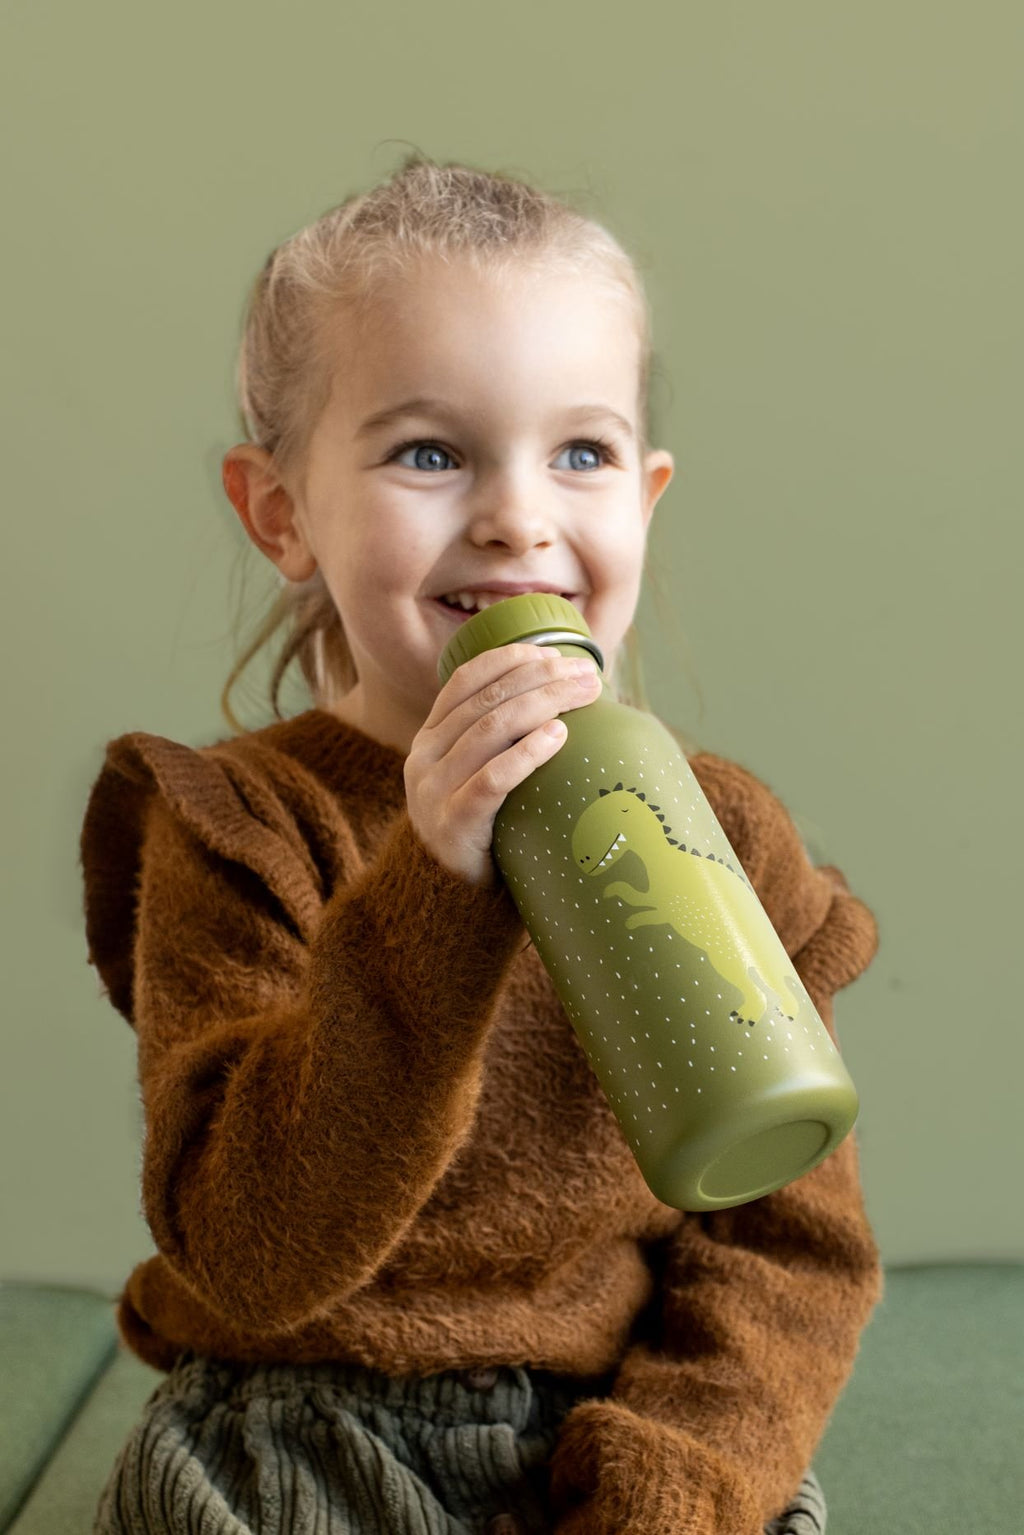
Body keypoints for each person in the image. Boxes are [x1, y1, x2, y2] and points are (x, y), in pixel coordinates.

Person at [80, 153, 881, 1535]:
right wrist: (434, 886)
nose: (520, 515)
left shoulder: (721, 835)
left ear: (645, 495)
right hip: (294, 1434)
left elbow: (790, 1251)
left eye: (582, 451)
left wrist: (674, 1481)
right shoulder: (235, 830)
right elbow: (253, 1249)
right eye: (430, 452)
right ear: (281, 514)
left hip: (619, 1426)